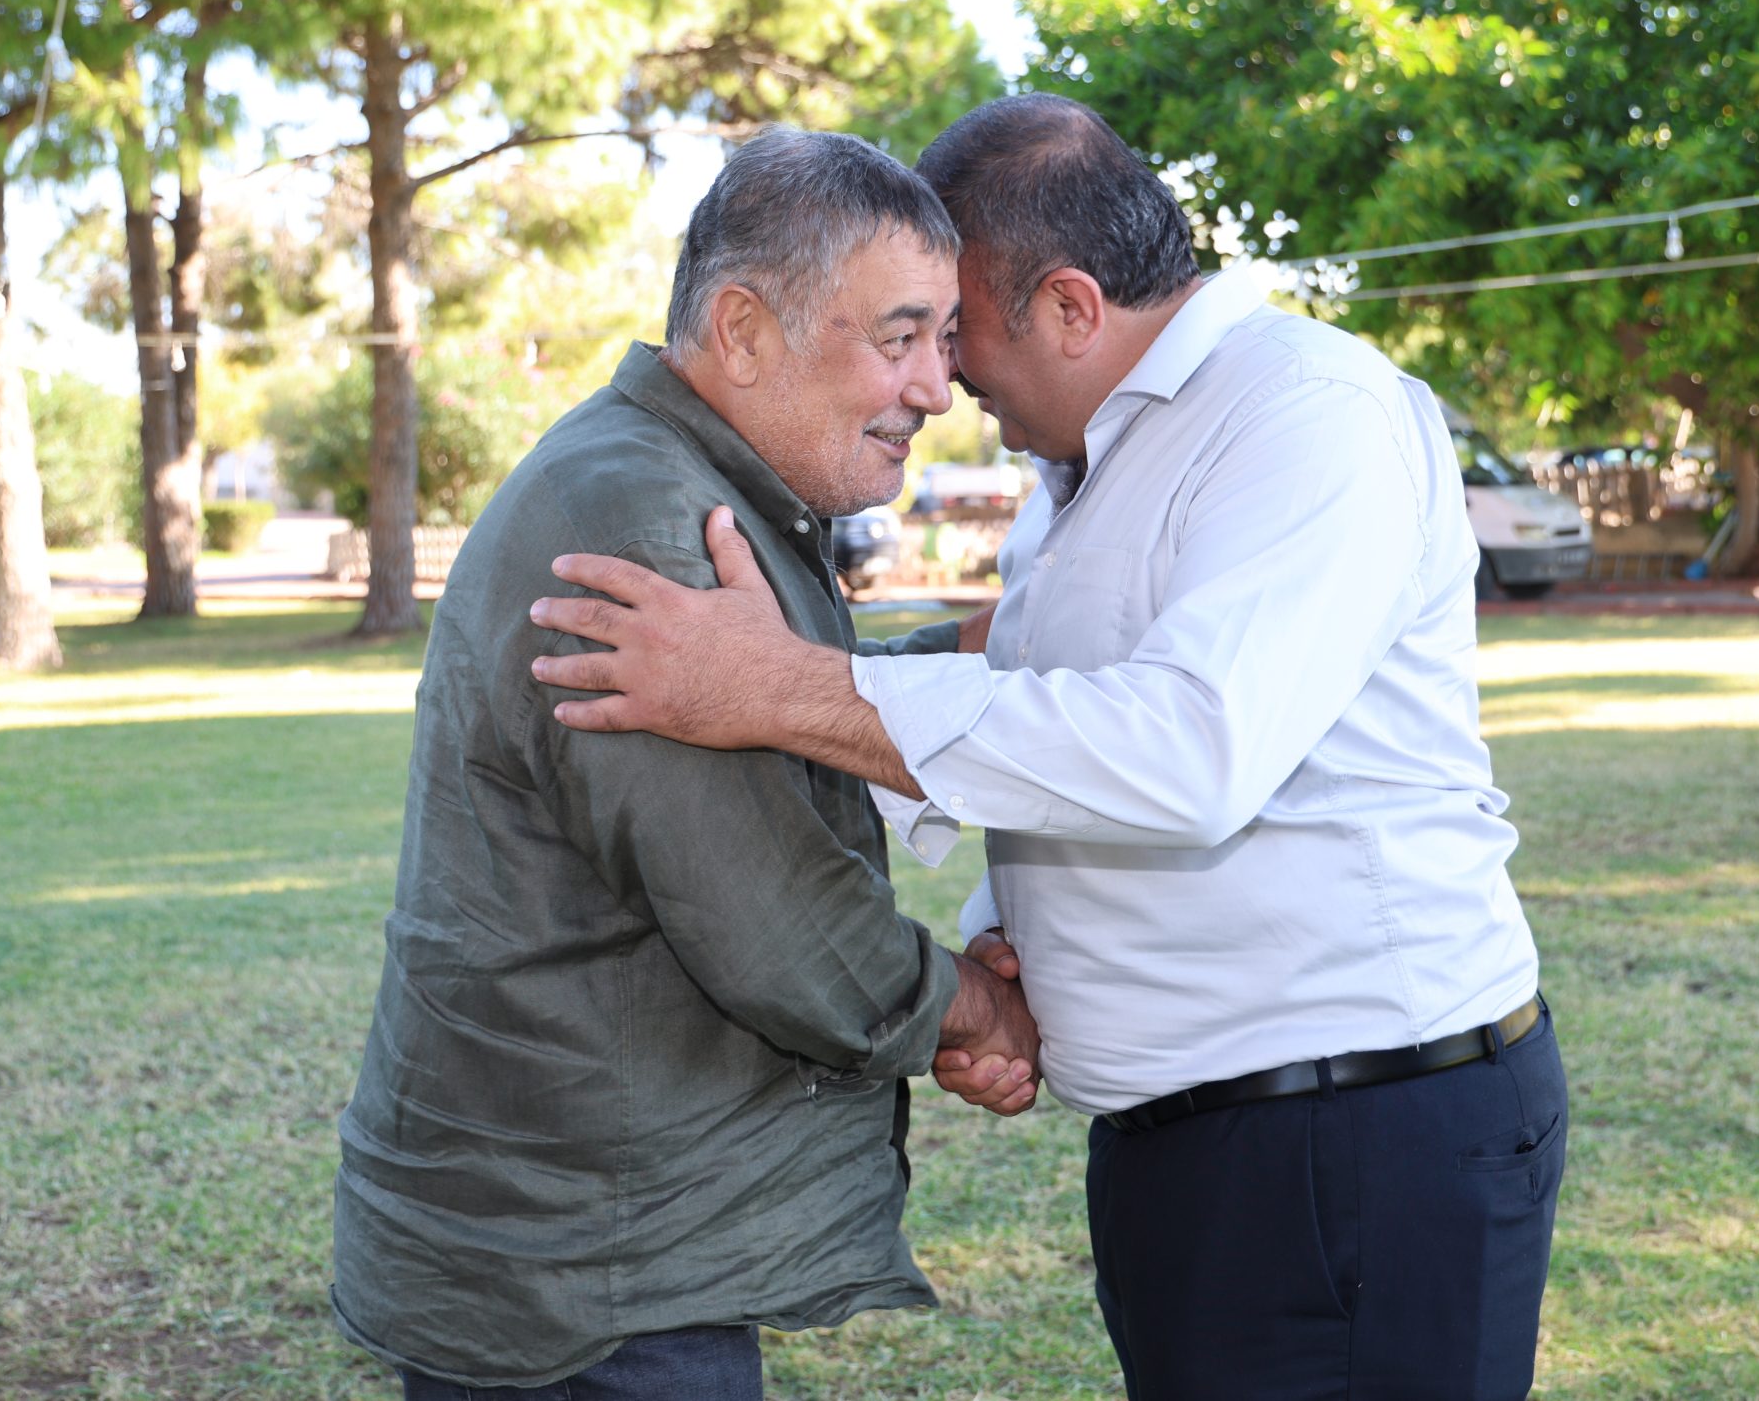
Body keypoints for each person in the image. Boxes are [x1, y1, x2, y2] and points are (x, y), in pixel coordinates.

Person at [527, 94, 1566, 1401]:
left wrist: (786, 688)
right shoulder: (1091, 457)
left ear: (1070, 307)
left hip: (1357, 1139)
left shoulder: (1309, 413)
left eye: (956, 338)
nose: (941, 384)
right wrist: (1011, 945)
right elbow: (1050, 707)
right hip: (1197, 1152)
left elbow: (1191, 749)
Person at [331, 127, 1039, 1401]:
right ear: (744, 330)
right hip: (586, 1277)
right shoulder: (654, 529)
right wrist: (974, 1011)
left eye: (943, 340)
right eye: (901, 336)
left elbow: (784, 690)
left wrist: (961, 655)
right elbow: (772, 922)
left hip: (583, 1240)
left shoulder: (674, 482)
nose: (939, 387)